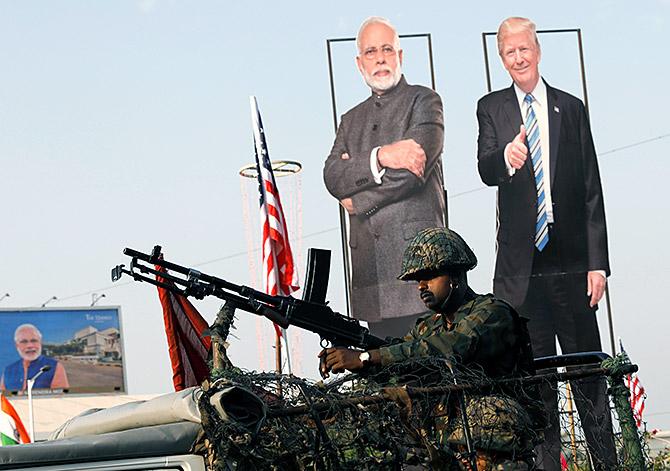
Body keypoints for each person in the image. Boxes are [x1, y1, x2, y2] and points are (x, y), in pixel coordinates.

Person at [475, 17, 615, 470]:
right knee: (536, 385)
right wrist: (507, 158)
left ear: (537, 50)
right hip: (522, 270)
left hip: (571, 263)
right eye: (508, 52)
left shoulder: (570, 109)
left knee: (586, 375)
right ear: (501, 58)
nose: (518, 58)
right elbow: (485, 167)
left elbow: (592, 189)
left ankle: (607, 463)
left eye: (524, 49)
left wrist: (599, 265)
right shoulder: (491, 108)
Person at [320, 227, 541, 469]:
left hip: (494, 434)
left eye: (429, 277)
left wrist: (365, 357)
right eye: (418, 280)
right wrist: (346, 358)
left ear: (455, 276)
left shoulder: (492, 313)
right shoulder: (427, 327)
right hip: (449, 438)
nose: (421, 286)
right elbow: (400, 367)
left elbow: (451, 348)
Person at [323, 16, 446, 339]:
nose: (380, 58)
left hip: (421, 273)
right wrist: (382, 156)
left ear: (400, 56)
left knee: (432, 379)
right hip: (370, 279)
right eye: (371, 51)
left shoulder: (424, 101)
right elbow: (333, 175)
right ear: (359, 61)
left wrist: (358, 198)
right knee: (385, 383)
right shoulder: (350, 120)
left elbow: (411, 176)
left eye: (387, 49)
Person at [0, 323, 69, 392]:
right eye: (24, 342)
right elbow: (2, 398)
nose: (29, 345)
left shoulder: (53, 367)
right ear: (17, 345)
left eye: (34, 341)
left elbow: (61, 397)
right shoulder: (8, 371)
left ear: (40, 343)